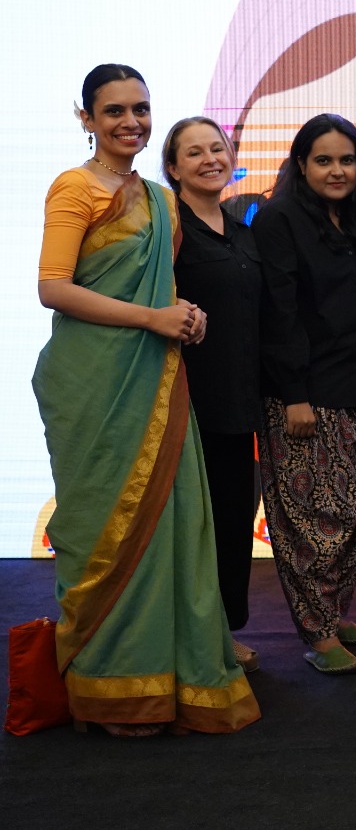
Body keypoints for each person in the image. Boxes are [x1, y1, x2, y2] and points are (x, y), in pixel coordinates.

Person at [34, 64, 259, 734]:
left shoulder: (160, 201)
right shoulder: (75, 187)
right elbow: (53, 288)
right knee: (101, 528)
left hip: (155, 378)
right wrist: (154, 319)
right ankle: (108, 683)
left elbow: (158, 286)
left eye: (140, 109)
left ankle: (168, 674)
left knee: (167, 524)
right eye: (114, 111)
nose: (130, 122)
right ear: (86, 119)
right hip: (93, 382)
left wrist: (185, 314)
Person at [254, 113, 356, 675]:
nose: (337, 171)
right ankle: (317, 634)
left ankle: (334, 616)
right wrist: (294, 394)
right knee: (312, 523)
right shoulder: (279, 218)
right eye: (324, 160)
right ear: (301, 164)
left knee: (350, 515)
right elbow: (278, 312)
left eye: (347, 160)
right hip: (306, 396)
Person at [164, 116, 264, 674]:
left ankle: (220, 631)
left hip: (238, 403)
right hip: (184, 402)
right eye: (194, 152)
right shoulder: (166, 231)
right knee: (187, 526)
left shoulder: (243, 230)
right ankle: (182, 636)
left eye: (218, 148)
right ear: (173, 168)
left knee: (229, 521)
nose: (210, 159)